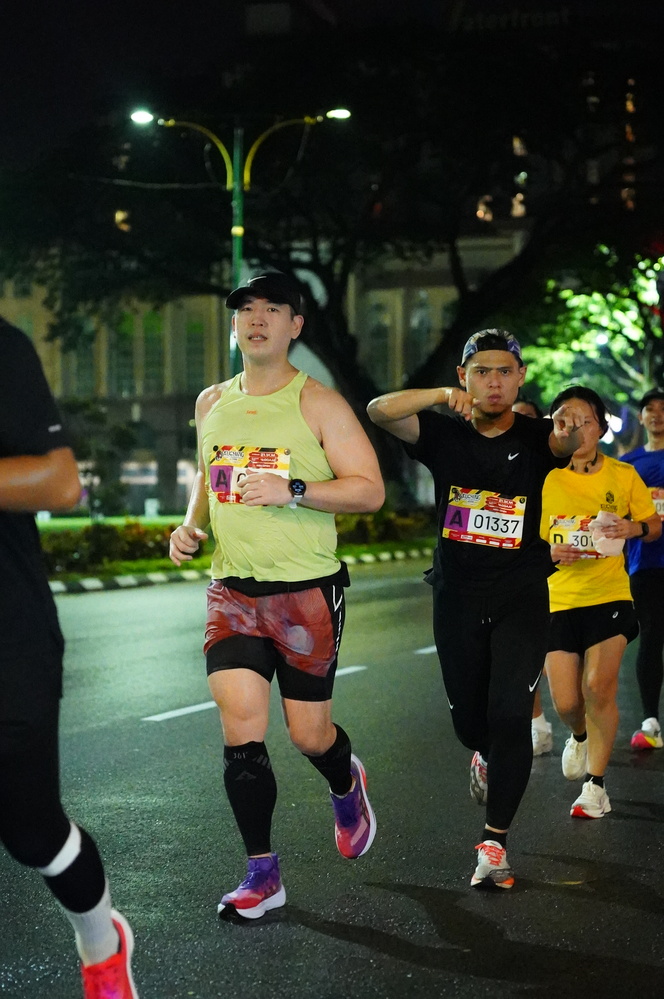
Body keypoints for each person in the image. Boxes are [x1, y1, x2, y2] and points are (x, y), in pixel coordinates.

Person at [169, 273, 383, 919]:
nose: (256, 319)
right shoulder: (211, 401)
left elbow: (369, 489)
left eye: (272, 309)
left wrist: (292, 490)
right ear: (234, 325)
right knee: (240, 726)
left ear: (295, 325)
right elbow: (209, 473)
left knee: (309, 736)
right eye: (245, 310)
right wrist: (191, 524)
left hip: (305, 594)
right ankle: (262, 873)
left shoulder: (320, 403)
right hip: (232, 592)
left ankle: (345, 779)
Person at [367, 328, 585, 890]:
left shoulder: (536, 436)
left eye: (505, 371)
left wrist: (568, 432)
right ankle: (483, 754)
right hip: (457, 595)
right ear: (464, 376)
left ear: (520, 377)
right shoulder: (443, 433)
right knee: (471, 722)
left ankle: (495, 843)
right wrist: (443, 396)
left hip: (521, 594)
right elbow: (379, 410)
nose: (494, 382)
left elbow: (564, 445)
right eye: (481, 371)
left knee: (510, 714)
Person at [0, 318, 139, 999]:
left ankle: (100, 942)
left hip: (9, 635)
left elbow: (60, 483)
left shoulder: (3, 348)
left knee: (31, 832)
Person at [540, 386, 660, 819]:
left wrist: (632, 529)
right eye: (564, 421)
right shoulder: (543, 477)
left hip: (609, 594)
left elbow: (652, 524)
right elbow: (525, 534)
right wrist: (549, 551)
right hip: (557, 598)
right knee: (567, 703)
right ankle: (579, 735)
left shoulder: (623, 475)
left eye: (584, 420)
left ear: (601, 427)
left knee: (598, 686)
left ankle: (595, 786)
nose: (574, 428)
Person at [620, 388, 664, 750]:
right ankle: (650, 721)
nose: (657, 414)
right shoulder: (629, 464)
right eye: (650, 408)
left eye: (663, 408)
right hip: (645, 562)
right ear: (641, 417)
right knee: (651, 635)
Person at [512, 397, 553, 755]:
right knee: (526, 658)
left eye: (527, 419)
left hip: (570, 580)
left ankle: (580, 725)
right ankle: (536, 721)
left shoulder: (553, 465)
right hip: (523, 579)